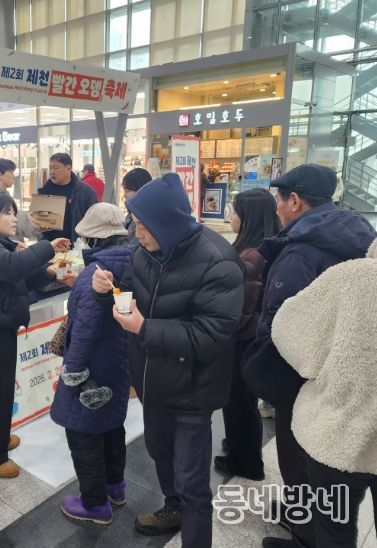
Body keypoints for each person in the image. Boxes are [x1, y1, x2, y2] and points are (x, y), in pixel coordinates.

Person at [92, 173, 244, 547]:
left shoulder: (219, 263)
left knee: (192, 481)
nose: (137, 233)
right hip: (153, 381)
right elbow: (131, 293)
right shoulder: (145, 250)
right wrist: (107, 290)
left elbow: (210, 334)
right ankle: (172, 508)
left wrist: (144, 328)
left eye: (143, 226)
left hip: (192, 390)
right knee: (160, 454)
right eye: (134, 223)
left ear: (167, 222)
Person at [240, 164, 377, 548]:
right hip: (354, 382)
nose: (277, 209)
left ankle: (305, 533)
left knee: (300, 457)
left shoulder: (301, 251)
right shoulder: (356, 236)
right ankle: (300, 517)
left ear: (295, 201)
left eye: (280, 200)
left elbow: (284, 327)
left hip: (308, 383)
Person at [272, 239, 377, 548]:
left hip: (342, 432)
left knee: (333, 528)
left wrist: (321, 367)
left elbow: (288, 328)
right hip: (345, 433)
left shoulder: (354, 277)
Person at [0, 193, 70, 479]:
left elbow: (20, 277)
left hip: (0, 328)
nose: (14, 218)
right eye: (7, 213)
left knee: (0, 392)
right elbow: (12, 268)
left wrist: (49, 271)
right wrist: (47, 247)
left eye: (13, 212)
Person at [50, 203, 132, 525]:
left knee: (83, 433)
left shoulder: (93, 275)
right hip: (119, 362)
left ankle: (95, 504)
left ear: (94, 239)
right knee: (112, 426)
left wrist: (71, 371)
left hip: (92, 367)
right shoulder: (134, 262)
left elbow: (84, 331)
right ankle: (116, 487)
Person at [216, 189, 280, 481]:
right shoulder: (264, 247)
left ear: (248, 217)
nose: (231, 216)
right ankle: (239, 448)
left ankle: (246, 463)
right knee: (242, 401)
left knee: (239, 402)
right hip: (253, 336)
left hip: (243, 339)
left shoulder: (251, 256)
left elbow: (240, 306)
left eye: (235, 211)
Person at [37, 153, 97, 242]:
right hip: (50, 246)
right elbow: (36, 222)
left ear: (68, 168)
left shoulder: (86, 192)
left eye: (56, 168)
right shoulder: (44, 192)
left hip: (76, 245)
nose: (52, 172)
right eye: (50, 168)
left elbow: (94, 220)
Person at [0, 157, 38, 240]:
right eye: (11, 172)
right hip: (6, 243)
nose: (14, 176)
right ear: (0, 174)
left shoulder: (3, 192)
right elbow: (6, 221)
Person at [121, 168, 153, 247]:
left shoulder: (144, 217)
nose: (124, 195)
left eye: (127, 191)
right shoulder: (133, 213)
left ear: (140, 189)